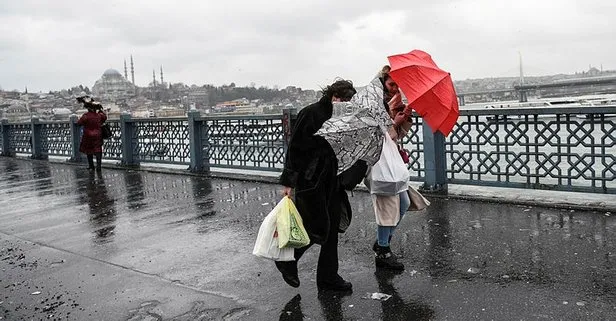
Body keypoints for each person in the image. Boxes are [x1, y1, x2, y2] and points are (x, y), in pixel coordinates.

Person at [276, 79, 357, 292]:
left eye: (347, 100)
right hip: (311, 180)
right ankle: (288, 260)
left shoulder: (344, 118)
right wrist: (289, 181)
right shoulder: (311, 113)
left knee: (330, 230)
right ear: (332, 95)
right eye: (340, 98)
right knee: (317, 226)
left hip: (332, 179)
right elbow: (295, 148)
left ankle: (328, 277)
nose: (343, 103)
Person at [370, 66, 412, 270]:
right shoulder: (375, 104)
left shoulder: (392, 102)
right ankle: (383, 250)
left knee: (403, 203)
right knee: (387, 208)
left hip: (392, 161)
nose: (395, 89)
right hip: (380, 162)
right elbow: (377, 137)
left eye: (398, 85)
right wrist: (394, 122)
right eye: (391, 84)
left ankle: (382, 242)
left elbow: (396, 136)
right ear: (383, 83)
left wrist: (402, 119)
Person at [76, 97, 107, 172]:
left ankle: (91, 166)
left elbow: (79, 123)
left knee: (89, 150)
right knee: (98, 150)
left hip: (88, 135)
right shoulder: (99, 116)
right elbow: (104, 117)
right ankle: (98, 166)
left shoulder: (85, 116)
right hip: (98, 135)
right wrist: (100, 110)